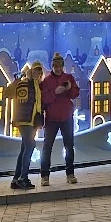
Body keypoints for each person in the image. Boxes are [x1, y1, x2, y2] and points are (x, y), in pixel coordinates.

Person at [39, 53, 80, 186]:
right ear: (52, 66)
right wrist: (54, 93)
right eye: (55, 66)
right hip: (51, 118)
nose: (58, 69)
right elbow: (43, 99)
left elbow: (75, 94)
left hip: (66, 117)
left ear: (63, 66)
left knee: (69, 146)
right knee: (47, 147)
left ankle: (70, 174)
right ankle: (44, 176)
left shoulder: (69, 78)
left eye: (60, 66)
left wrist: (69, 89)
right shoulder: (47, 81)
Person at [6, 63, 44, 189]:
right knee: (30, 145)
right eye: (35, 71)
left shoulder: (37, 86)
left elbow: (37, 105)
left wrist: (38, 120)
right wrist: (16, 81)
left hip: (31, 122)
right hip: (24, 121)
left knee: (24, 149)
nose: (37, 74)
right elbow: (9, 94)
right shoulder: (24, 83)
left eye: (39, 72)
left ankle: (16, 179)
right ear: (30, 71)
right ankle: (23, 178)